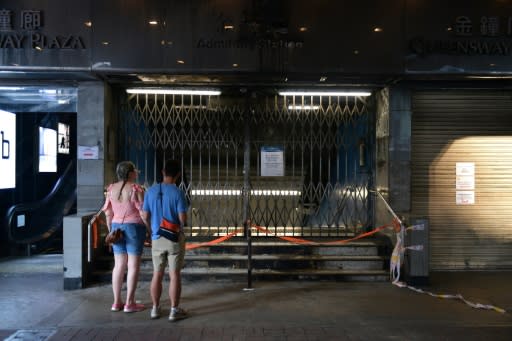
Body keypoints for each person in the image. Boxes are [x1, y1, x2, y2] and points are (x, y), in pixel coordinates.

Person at [142, 159, 189, 321]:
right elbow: (183, 218)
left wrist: (151, 230)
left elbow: (145, 216)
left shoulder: (150, 191)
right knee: (174, 274)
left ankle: (155, 309)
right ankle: (174, 310)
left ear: (163, 172)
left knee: (157, 274)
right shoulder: (178, 193)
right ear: (178, 175)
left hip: (156, 237)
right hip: (174, 238)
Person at [100, 161, 150, 313]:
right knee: (133, 265)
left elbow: (108, 213)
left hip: (116, 228)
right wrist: (149, 229)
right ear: (130, 173)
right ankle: (129, 303)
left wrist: (111, 231)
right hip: (134, 228)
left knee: (119, 265)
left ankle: (116, 302)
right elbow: (143, 213)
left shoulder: (110, 189)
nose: (137, 173)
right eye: (135, 170)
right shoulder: (136, 189)